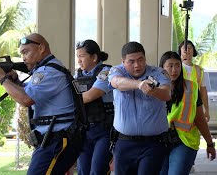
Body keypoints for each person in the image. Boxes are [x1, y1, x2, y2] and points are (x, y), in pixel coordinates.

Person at [0, 33, 86, 175]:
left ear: (41, 48)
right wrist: (14, 80)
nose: (23, 58)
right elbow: (29, 90)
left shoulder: (48, 72)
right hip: (53, 139)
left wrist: (2, 79)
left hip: (57, 140)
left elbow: (26, 99)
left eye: (26, 52)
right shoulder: (44, 71)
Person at [107, 41, 171, 175]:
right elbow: (117, 82)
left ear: (145, 58)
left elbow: (166, 94)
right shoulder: (116, 71)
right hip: (124, 143)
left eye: (140, 60)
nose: (137, 65)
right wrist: (139, 85)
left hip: (152, 144)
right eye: (131, 61)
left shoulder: (158, 72)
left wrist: (152, 91)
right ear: (123, 61)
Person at [159, 51, 216, 175]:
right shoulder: (155, 88)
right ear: (162, 68)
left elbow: (200, 118)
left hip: (185, 141)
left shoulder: (191, 87)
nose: (174, 70)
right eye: (170, 66)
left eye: (177, 65)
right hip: (160, 141)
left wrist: (209, 143)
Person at [74, 40, 114, 174]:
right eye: (77, 56)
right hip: (84, 130)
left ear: (94, 57)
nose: (79, 60)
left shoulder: (107, 72)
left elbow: (90, 96)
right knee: (83, 170)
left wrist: (69, 101)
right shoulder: (77, 75)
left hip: (104, 130)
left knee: (97, 171)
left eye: (82, 56)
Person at [178, 40, 210, 122]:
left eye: (189, 48)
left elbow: (203, 92)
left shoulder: (199, 70)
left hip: (195, 109)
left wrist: (206, 109)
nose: (187, 50)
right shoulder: (176, 68)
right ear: (180, 51)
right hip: (178, 109)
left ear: (193, 51)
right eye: (184, 48)